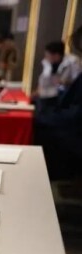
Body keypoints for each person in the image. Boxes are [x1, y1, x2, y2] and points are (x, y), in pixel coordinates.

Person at [34, 26, 82, 180]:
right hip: (65, 109)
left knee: (41, 126)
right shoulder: (48, 63)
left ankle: (53, 178)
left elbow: (74, 112)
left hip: (72, 122)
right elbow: (44, 82)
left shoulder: (73, 63)